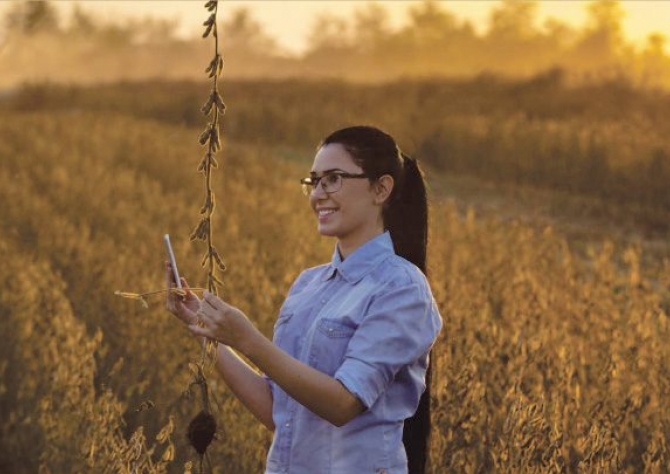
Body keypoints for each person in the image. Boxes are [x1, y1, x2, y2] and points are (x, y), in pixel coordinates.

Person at [166, 125, 442, 474]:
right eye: (314, 181)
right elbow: (279, 411)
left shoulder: (401, 289)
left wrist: (248, 339)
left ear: (381, 188)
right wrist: (208, 333)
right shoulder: (308, 284)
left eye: (333, 179)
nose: (318, 194)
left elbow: (343, 404)